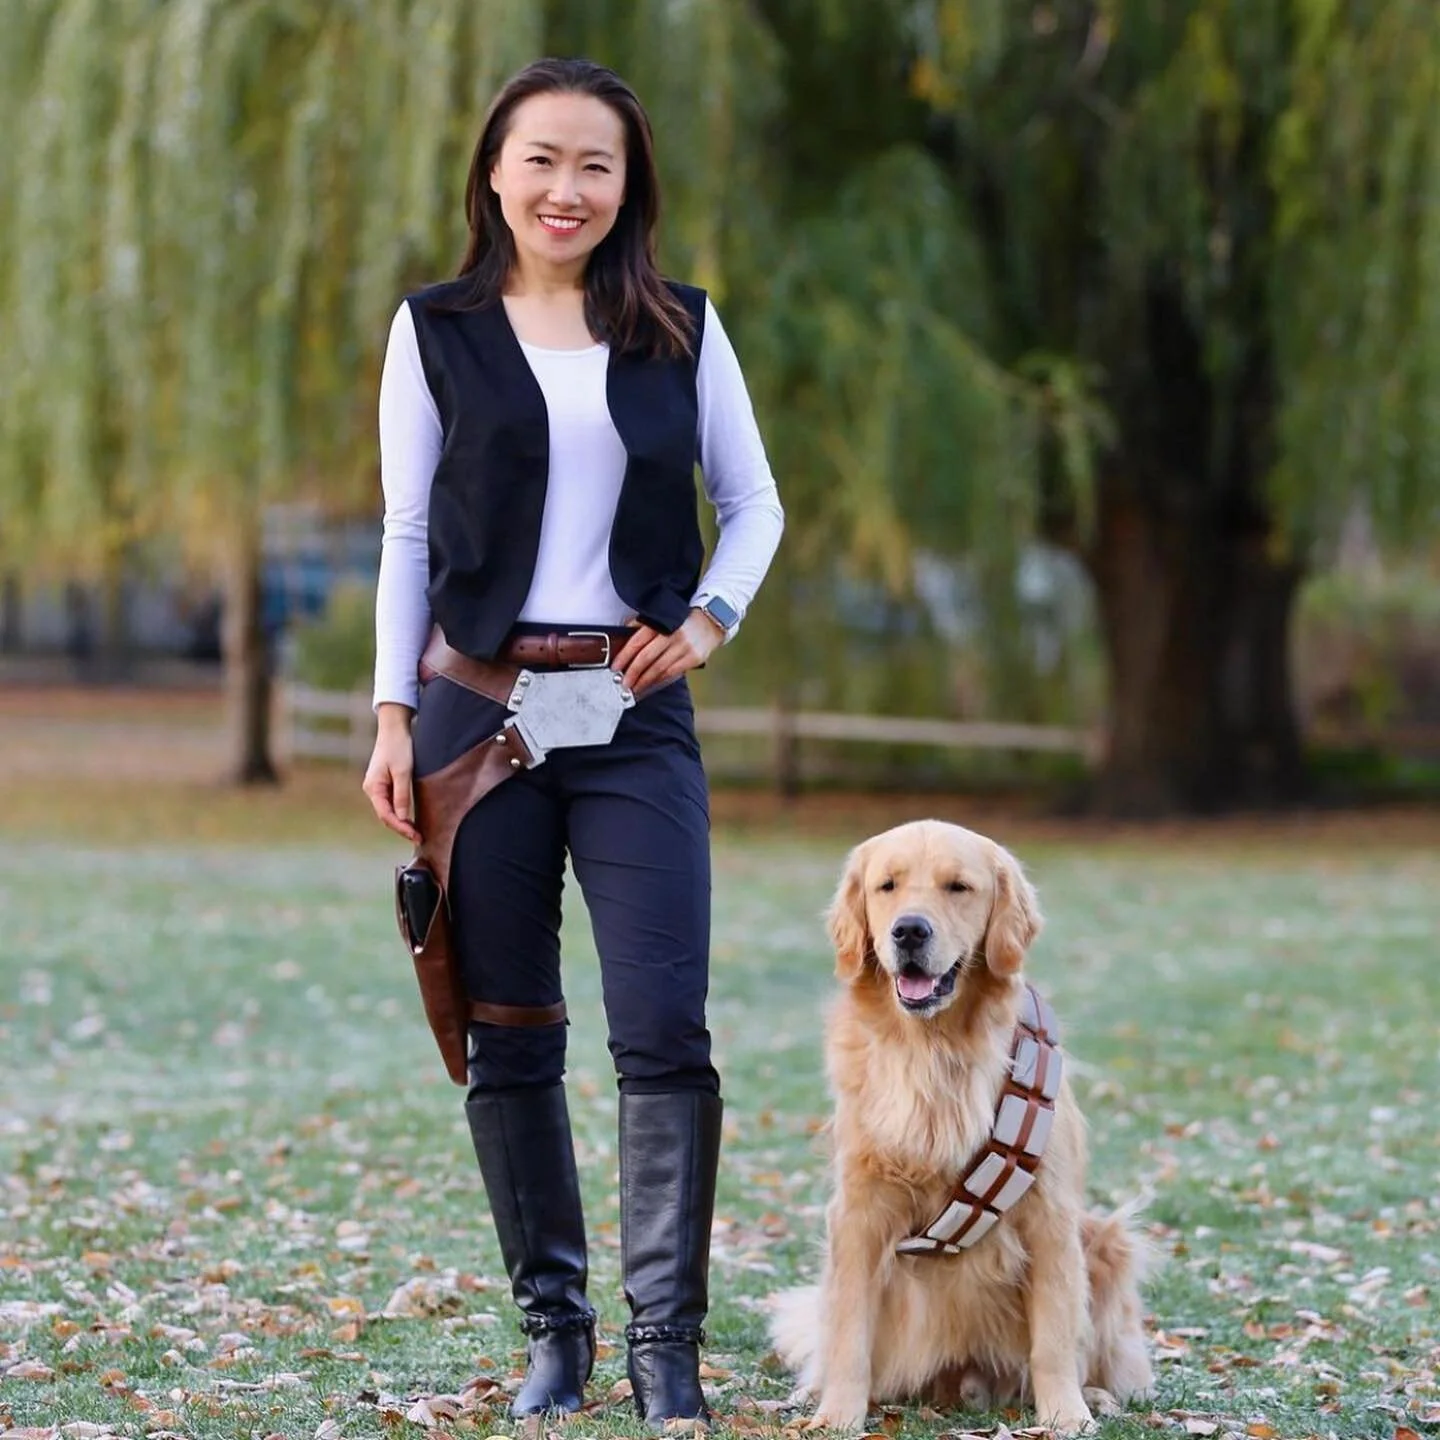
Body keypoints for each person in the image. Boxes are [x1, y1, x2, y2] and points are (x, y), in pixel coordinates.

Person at [361, 56, 783, 1428]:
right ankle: (558, 1332)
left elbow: (756, 502)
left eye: (595, 164)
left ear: (629, 185)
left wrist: (710, 619)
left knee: (665, 1029)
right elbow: (409, 538)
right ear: (495, 170)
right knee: (508, 1031)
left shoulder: (681, 328)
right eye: (541, 158)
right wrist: (388, 716)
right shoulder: (433, 330)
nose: (567, 187)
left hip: (631, 709)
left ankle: (669, 1352)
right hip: (476, 710)